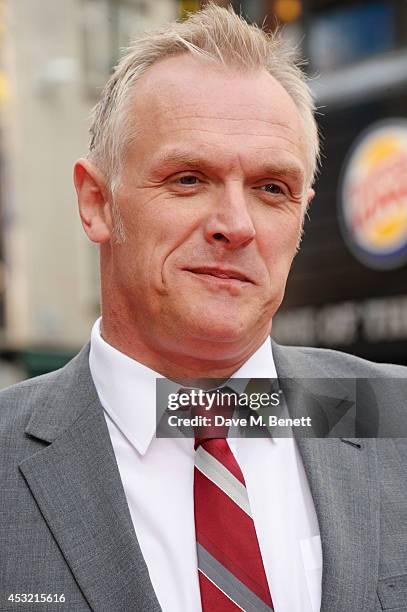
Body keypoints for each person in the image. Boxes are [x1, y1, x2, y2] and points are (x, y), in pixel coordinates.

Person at [1, 4, 406, 612]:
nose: (235, 226)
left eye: (272, 188)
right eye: (189, 179)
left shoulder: (390, 417)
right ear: (96, 203)